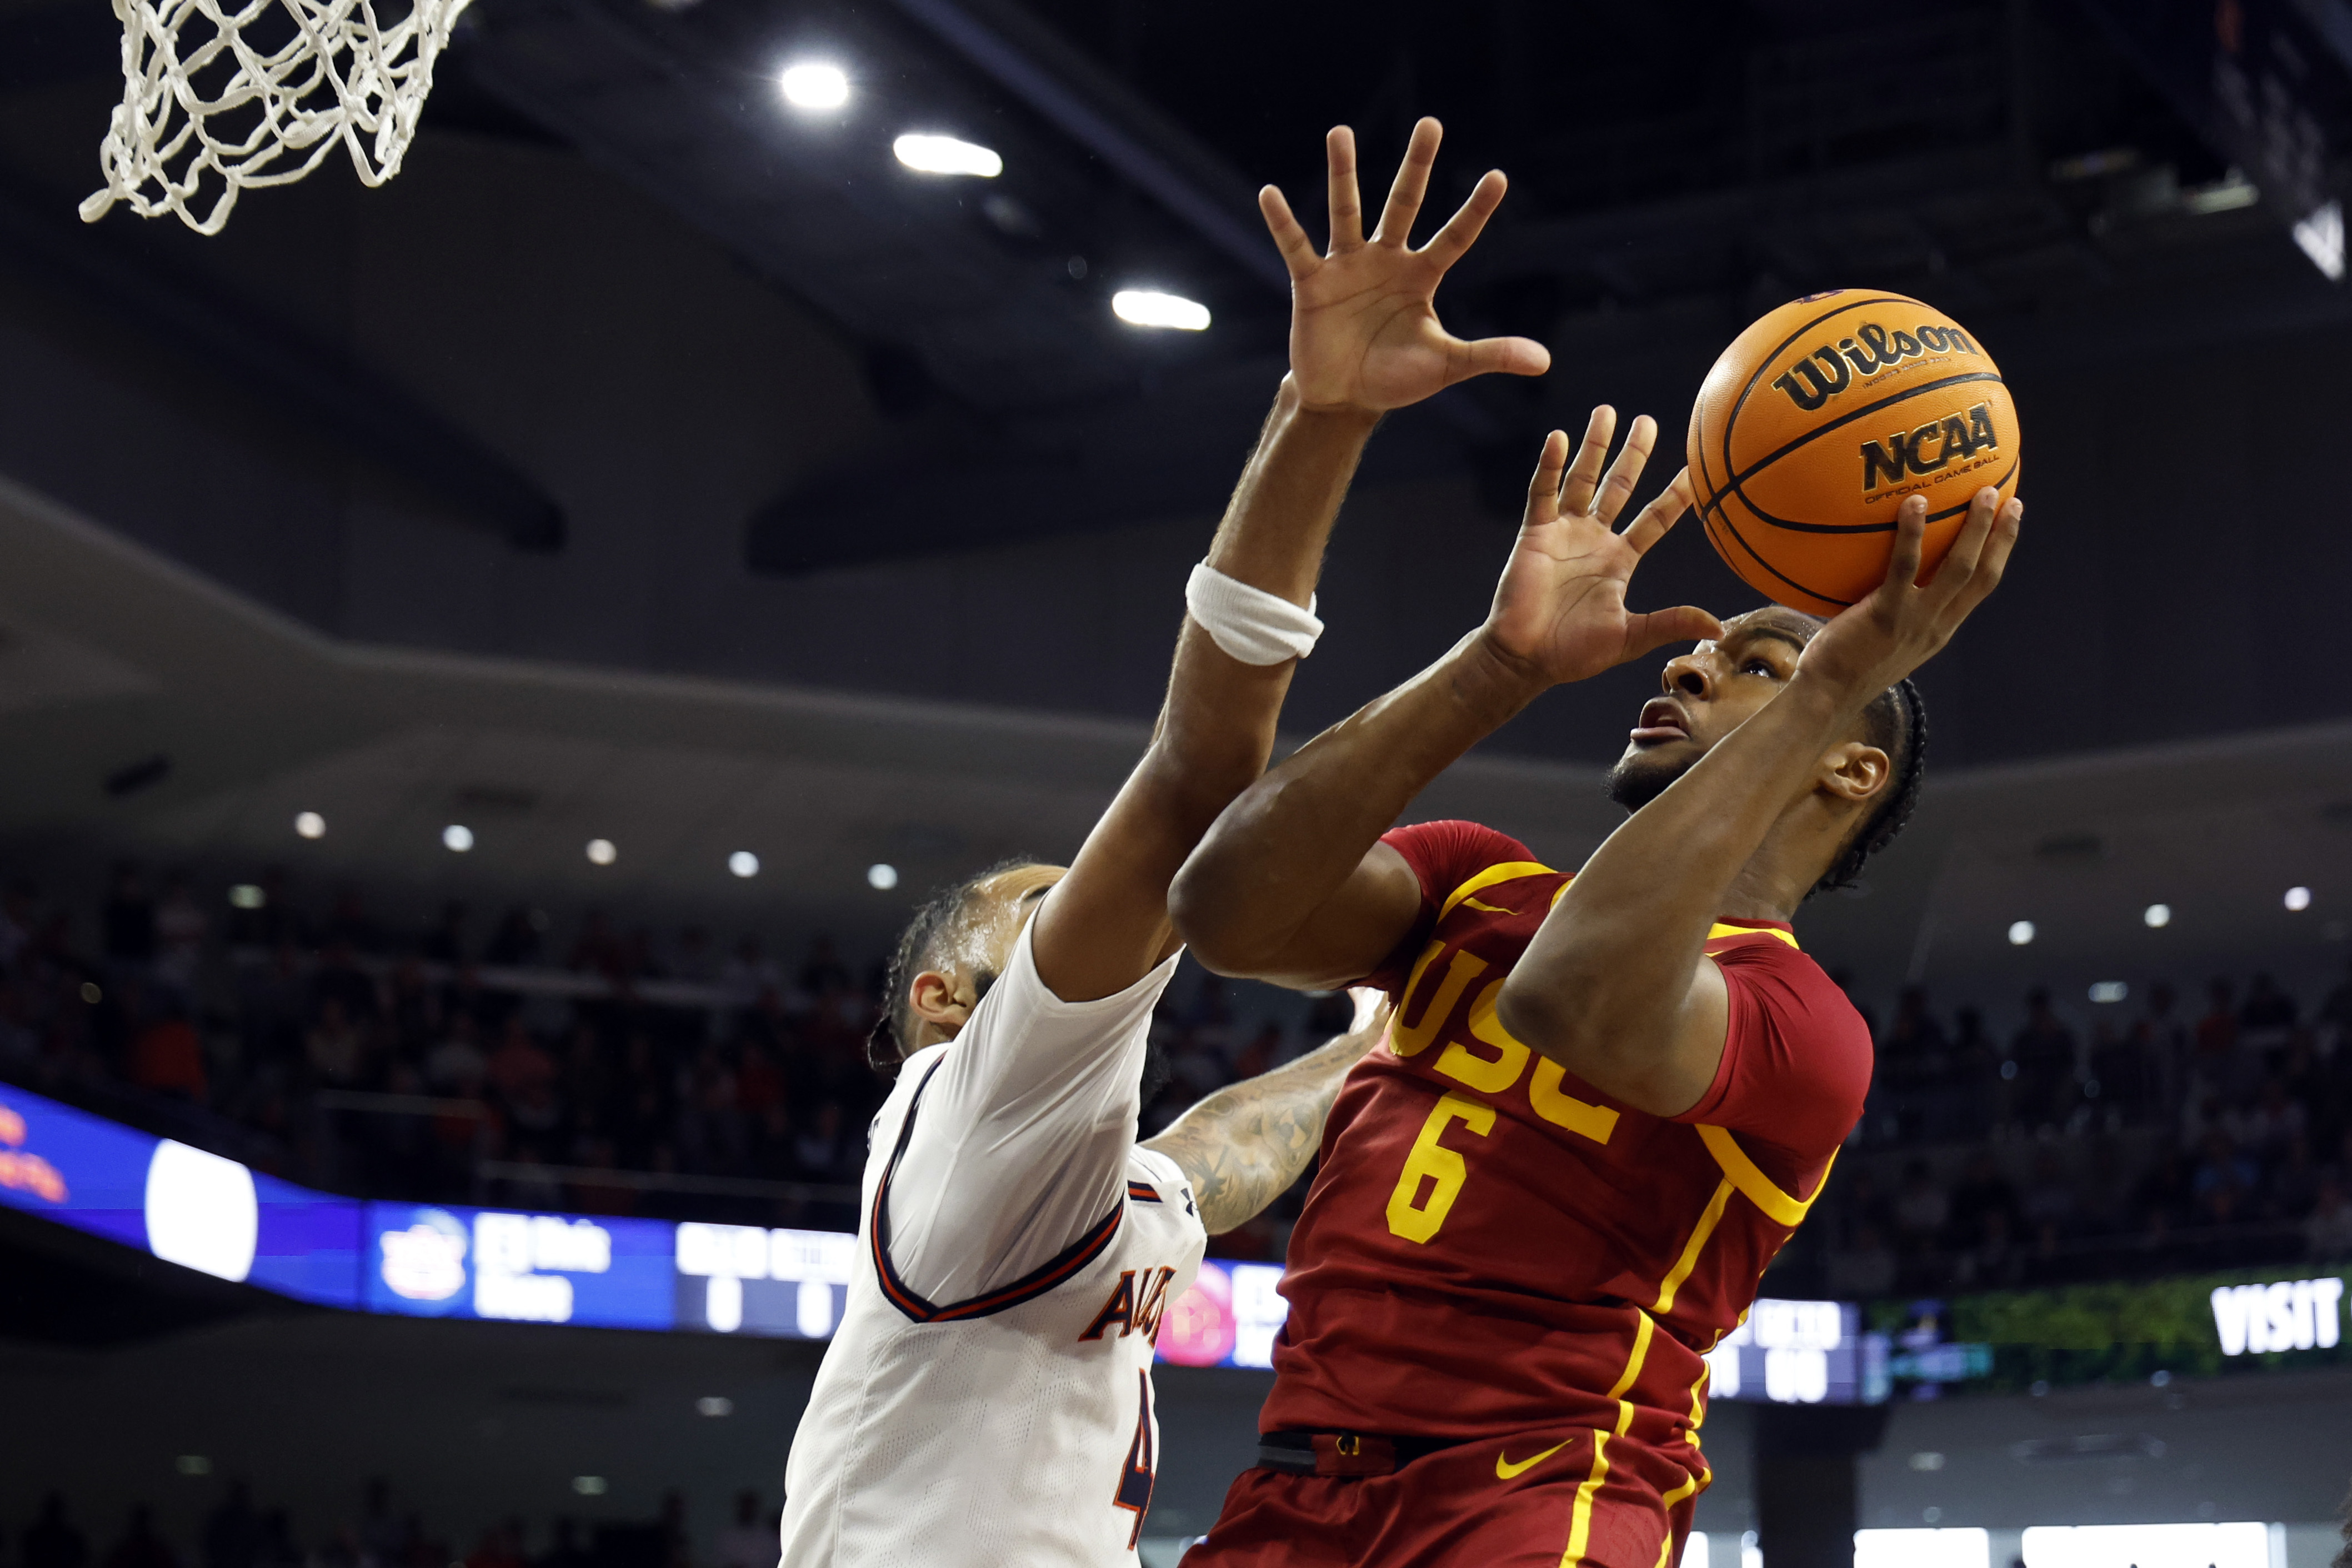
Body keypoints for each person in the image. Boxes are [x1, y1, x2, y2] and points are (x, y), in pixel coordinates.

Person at [775, 116, 1542, 1568]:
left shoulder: (1055, 1176)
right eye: (1050, 906)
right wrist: (1320, 421)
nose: (1103, 911)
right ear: (948, 1001)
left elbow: (1220, 1150)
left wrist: (1392, 1029)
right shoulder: (980, 1104)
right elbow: (1195, 778)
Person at [1169, 416, 2019, 1563]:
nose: (1685, 662)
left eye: (1756, 666)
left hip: (1542, 1494)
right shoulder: (1474, 879)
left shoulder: (1803, 1028)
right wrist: (1496, 665)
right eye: (1709, 655)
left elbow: (1566, 995)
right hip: (1292, 1488)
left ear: (1846, 764)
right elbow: (1222, 906)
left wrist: (1833, 680)